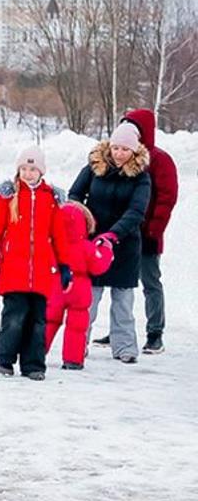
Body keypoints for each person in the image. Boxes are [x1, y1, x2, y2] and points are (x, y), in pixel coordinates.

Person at [0, 147, 69, 380]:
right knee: (14, 319)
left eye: (33, 169)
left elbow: (59, 235)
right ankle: (5, 359)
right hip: (13, 271)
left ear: (41, 171)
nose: (28, 173)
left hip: (40, 272)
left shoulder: (51, 198)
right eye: (24, 169)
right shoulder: (7, 196)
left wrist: (65, 266)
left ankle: (33, 365)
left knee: (38, 322)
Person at [69, 123, 151, 363]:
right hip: (93, 243)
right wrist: (84, 220)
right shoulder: (94, 167)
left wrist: (114, 235)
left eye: (125, 149)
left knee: (123, 303)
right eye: (115, 147)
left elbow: (136, 211)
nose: (119, 153)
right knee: (88, 299)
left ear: (134, 151)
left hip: (124, 245)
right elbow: (74, 195)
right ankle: (78, 344)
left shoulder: (141, 177)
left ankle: (124, 347)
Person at [116, 110, 177, 354]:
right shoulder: (123, 157)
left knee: (150, 282)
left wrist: (153, 231)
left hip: (148, 234)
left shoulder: (160, 160)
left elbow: (166, 198)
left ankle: (155, 332)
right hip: (124, 232)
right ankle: (120, 329)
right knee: (122, 283)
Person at [47, 202, 115, 370]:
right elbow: (98, 266)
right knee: (77, 326)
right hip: (80, 288)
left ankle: (35, 352)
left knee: (48, 321)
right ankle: (73, 360)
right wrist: (106, 250)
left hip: (56, 286)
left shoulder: (52, 244)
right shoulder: (86, 247)